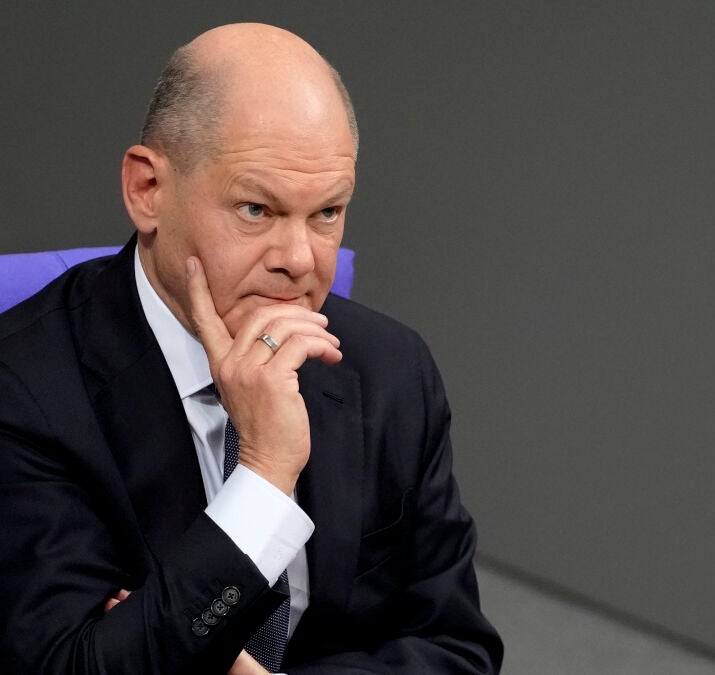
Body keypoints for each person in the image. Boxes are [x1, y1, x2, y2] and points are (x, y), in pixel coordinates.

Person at [0, 23, 502, 674]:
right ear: (148, 191)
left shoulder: (392, 370)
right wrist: (264, 475)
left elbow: (458, 650)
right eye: (257, 210)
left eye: (327, 213)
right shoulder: (23, 391)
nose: (300, 260)